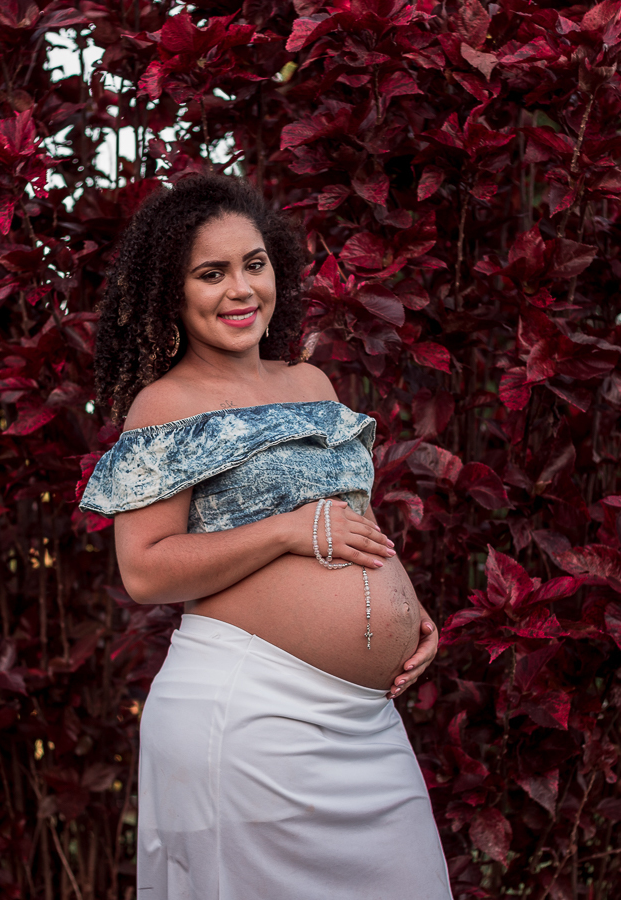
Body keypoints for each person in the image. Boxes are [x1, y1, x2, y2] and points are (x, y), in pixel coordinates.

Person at [80, 174, 452, 899]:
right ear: (172, 292)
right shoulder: (167, 405)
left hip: (362, 721)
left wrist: (406, 611)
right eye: (210, 273)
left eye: (252, 264)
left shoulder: (310, 382)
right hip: (250, 718)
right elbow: (146, 572)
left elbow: (348, 518)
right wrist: (286, 533)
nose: (239, 290)